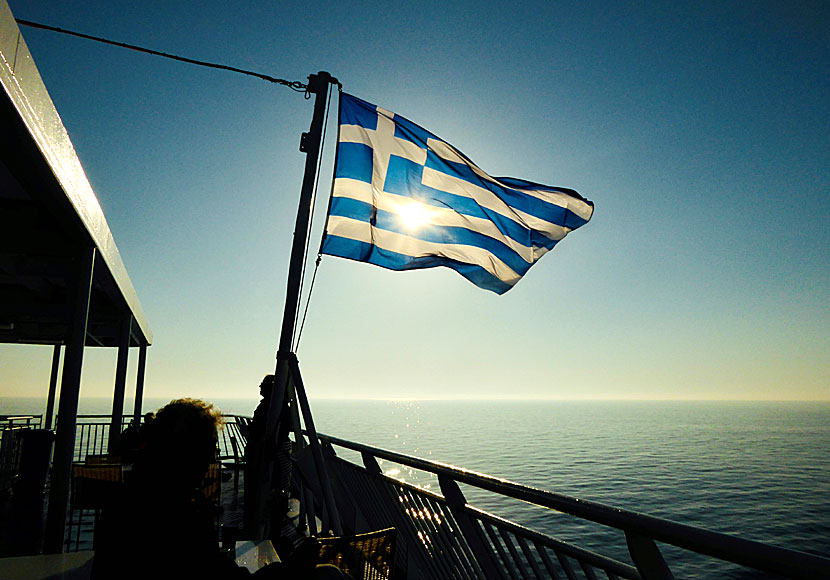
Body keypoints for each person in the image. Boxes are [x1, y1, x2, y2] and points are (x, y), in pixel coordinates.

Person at [92, 398, 347, 579]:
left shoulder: (133, 496)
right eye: (209, 450)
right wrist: (289, 569)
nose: (211, 461)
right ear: (186, 453)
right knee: (331, 575)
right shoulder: (176, 514)